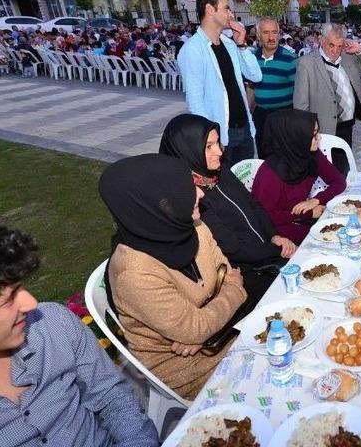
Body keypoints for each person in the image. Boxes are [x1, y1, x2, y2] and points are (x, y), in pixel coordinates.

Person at [0, 220, 158, 447]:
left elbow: (112, 396)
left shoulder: (51, 324)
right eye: (8, 300)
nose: (31, 303)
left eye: (20, 288)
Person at [100, 154, 249, 398]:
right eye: (187, 189)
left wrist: (203, 328)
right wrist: (233, 293)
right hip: (187, 369)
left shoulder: (191, 227)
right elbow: (229, 285)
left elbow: (226, 271)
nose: (200, 193)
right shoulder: (134, 272)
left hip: (222, 337)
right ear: (159, 203)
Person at [159, 114, 295, 314]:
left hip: (266, 254)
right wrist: (277, 250)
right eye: (208, 146)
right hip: (241, 275)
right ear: (188, 149)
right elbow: (232, 248)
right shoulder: (190, 198)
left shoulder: (221, 171)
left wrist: (274, 235)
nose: (219, 151)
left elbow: (253, 204)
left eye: (218, 143)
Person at [178, 0, 261, 166]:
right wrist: (210, 140)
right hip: (221, 136)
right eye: (226, 8)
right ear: (210, 9)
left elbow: (255, 75)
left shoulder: (230, 44)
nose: (230, 13)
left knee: (244, 186)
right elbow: (195, 101)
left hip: (244, 129)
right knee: (223, 189)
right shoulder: (193, 49)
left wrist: (242, 44)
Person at [251, 109, 346, 244]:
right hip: (276, 232)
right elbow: (265, 216)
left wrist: (316, 200)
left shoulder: (310, 155)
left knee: (344, 229)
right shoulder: (270, 175)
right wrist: (309, 213)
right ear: (296, 137)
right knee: (331, 239)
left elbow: (339, 182)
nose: (319, 138)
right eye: (314, 135)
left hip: (301, 220)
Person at [293, 23, 361, 176]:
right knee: (324, 174)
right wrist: (309, 132)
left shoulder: (349, 58)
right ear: (321, 40)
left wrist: (359, 49)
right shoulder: (307, 63)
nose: (335, 50)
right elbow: (300, 104)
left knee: (343, 169)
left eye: (340, 46)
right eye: (331, 45)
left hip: (347, 126)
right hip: (323, 130)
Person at [247, 17, 297, 158]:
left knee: (285, 157)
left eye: (274, 32)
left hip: (284, 115)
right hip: (261, 115)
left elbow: (300, 92)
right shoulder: (252, 59)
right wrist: (248, 114)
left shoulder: (290, 60)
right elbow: (251, 87)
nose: (271, 37)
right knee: (264, 157)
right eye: (266, 32)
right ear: (258, 35)